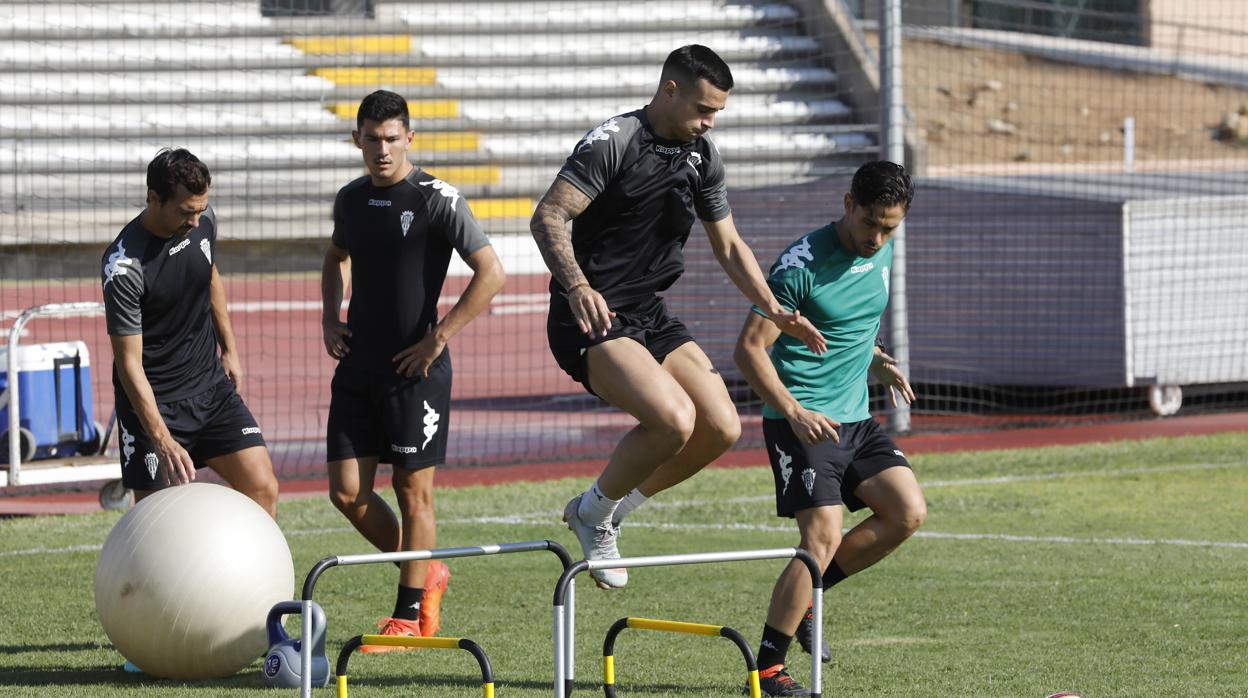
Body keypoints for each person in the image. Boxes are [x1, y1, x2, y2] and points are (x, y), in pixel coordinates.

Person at [529, 45, 826, 590]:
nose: (710, 122)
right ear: (670, 90)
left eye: (717, 112)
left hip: (650, 312)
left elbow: (730, 246)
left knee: (721, 426)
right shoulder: (614, 142)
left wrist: (776, 311)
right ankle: (593, 515)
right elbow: (549, 214)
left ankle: (609, 510)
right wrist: (576, 285)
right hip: (591, 316)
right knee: (674, 419)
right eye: (703, 109)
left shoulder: (702, 156)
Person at [732, 161, 927, 695]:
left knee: (906, 512)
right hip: (803, 423)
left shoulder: (881, 248)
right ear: (847, 204)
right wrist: (794, 411)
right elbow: (748, 350)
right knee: (821, 537)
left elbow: (855, 324)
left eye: (890, 226)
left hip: (856, 418)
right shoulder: (801, 266)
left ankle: (809, 599)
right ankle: (769, 668)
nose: (878, 237)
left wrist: (878, 359)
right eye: (870, 223)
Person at [321, 89, 504, 647]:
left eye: (392, 138)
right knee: (347, 493)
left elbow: (491, 273)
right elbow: (335, 258)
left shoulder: (436, 198)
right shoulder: (350, 200)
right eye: (371, 139)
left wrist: (438, 338)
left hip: (415, 371)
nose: (382, 149)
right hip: (357, 368)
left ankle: (405, 614)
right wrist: (331, 317)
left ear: (410, 138)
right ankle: (428, 570)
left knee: (411, 491)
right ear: (357, 139)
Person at [101, 148, 278, 517]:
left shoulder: (203, 219)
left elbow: (209, 274)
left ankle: (247, 578)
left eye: (200, 209)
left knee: (263, 489)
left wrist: (230, 349)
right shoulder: (123, 268)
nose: (196, 221)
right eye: (186, 211)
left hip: (210, 388)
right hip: (154, 405)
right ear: (154, 198)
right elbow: (129, 365)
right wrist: (162, 439)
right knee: (155, 524)